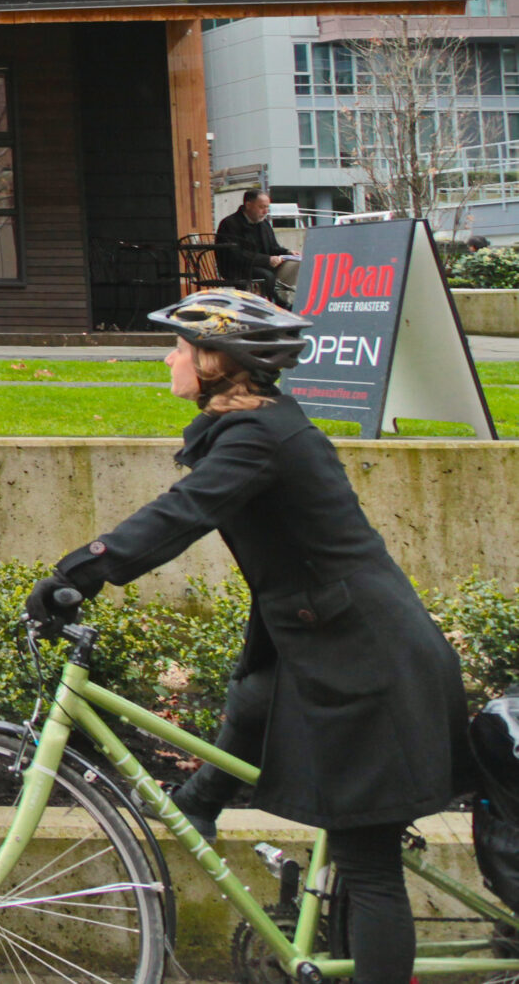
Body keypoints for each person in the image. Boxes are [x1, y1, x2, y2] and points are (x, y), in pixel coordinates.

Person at [25, 288, 475, 984]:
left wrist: (83, 569)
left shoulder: (258, 438)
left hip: (369, 666)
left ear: (215, 360)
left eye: (179, 346)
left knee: (370, 867)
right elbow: (259, 685)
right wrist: (201, 796)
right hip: (343, 646)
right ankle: (203, 801)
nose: (170, 358)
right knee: (256, 692)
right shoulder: (258, 427)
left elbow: (184, 512)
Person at [215, 188, 298, 304]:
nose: (265, 211)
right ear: (248, 205)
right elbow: (235, 255)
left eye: (267, 207)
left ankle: (291, 300)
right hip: (237, 269)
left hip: (263, 265)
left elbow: (273, 248)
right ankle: (277, 304)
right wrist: (267, 260)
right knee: (267, 276)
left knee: (296, 265)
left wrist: (288, 252)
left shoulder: (264, 224)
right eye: (261, 207)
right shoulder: (229, 224)